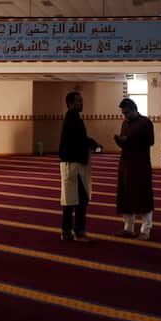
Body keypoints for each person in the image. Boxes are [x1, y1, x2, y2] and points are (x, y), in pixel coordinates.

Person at [58, 91, 99, 242]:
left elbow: (80, 139)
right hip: (72, 165)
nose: (81, 104)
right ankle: (76, 232)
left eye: (82, 101)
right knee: (76, 201)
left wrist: (91, 143)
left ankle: (68, 231)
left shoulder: (74, 118)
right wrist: (91, 143)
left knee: (74, 201)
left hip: (74, 164)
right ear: (69, 103)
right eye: (78, 101)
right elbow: (78, 141)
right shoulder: (72, 118)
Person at [114, 97, 155, 240]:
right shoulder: (125, 123)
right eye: (123, 113)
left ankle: (146, 230)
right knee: (126, 195)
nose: (125, 116)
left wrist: (130, 141)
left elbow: (150, 141)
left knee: (143, 196)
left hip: (141, 164)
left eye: (127, 113)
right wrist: (121, 141)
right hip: (126, 164)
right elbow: (125, 140)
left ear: (134, 110)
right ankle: (128, 228)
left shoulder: (145, 122)